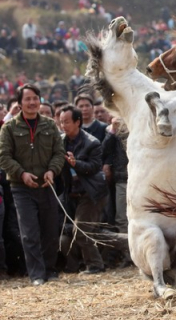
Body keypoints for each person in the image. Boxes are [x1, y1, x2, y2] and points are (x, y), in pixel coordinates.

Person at [0, 84, 65, 285]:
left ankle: (50, 269)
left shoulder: (49, 125)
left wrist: (52, 170)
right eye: (27, 99)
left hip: (47, 184)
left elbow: (59, 152)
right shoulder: (9, 128)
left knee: (50, 231)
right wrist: (21, 173)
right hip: (21, 188)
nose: (32, 102)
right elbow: (4, 156)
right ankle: (36, 275)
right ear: (19, 104)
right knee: (29, 233)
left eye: (35, 98)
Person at [59, 106, 108, 274]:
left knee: (81, 231)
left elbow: (94, 167)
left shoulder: (92, 142)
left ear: (77, 122)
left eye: (66, 122)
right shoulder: (61, 141)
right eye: (61, 122)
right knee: (80, 233)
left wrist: (75, 164)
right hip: (71, 194)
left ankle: (95, 266)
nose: (63, 125)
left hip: (91, 193)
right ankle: (75, 266)